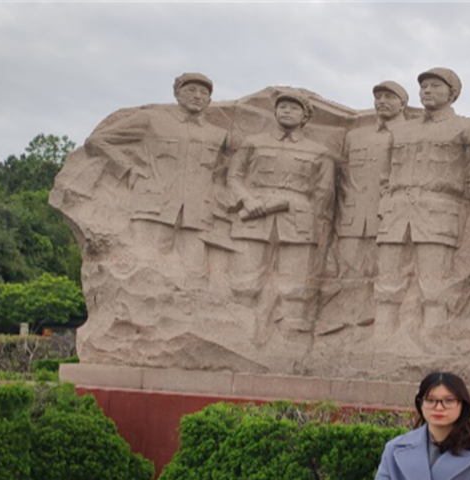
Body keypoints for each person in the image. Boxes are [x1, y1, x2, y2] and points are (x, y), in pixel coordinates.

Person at [375, 68, 470, 335]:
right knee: (387, 281)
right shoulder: (400, 131)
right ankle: (381, 339)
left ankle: (433, 338)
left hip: (439, 213)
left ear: (452, 94)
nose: (427, 91)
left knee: (434, 285)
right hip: (396, 214)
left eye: (435, 86)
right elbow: (385, 177)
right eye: (424, 86)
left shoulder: (468, 128)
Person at [85, 72, 228, 278]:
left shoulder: (218, 135)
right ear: (176, 94)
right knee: (142, 270)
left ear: (209, 100)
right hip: (153, 208)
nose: (197, 96)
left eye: (203, 93)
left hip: (197, 214)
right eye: (190, 90)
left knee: (195, 275)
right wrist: (128, 169)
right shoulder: (152, 120)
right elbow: (98, 140)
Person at [226, 89, 335, 342]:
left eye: (294, 108)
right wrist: (247, 199)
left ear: (305, 116)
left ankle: (290, 339)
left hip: (297, 219)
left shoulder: (319, 152)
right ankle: (238, 335)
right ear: (274, 111)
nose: (287, 111)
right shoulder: (254, 142)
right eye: (282, 107)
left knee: (295, 285)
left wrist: (318, 228)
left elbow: (324, 194)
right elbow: (233, 177)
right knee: (244, 281)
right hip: (254, 215)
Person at [333, 80, 410, 328]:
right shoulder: (355, 136)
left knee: (388, 272)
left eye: (389, 97)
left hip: (391, 217)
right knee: (348, 272)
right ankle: (348, 323)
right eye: (378, 97)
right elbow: (342, 178)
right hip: (353, 217)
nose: (382, 101)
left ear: (403, 103)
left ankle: (384, 324)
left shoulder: (411, 134)